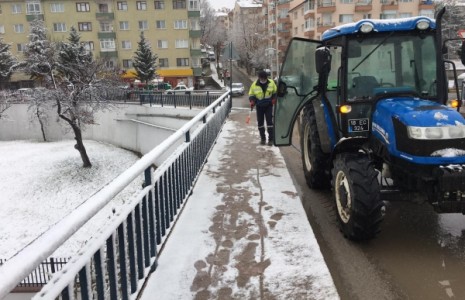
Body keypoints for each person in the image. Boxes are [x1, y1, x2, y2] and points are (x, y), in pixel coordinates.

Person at [248, 70, 278, 145]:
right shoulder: (254, 84)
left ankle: (271, 139)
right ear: (259, 78)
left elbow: (275, 92)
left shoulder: (271, 82)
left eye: (264, 79)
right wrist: (252, 101)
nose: (263, 80)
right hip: (259, 106)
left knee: (270, 123)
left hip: (268, 105)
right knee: (260, 123)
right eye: (261, 79)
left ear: (266, 78)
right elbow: (251, 94)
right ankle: (263, 139)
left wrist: (274, 99)